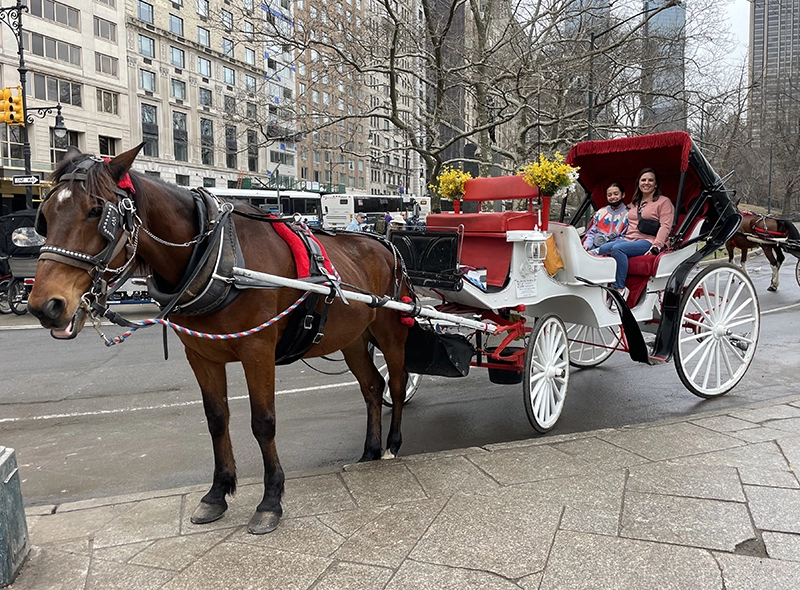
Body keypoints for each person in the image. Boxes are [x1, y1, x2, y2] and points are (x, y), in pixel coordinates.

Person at [596, 168, 674, 295]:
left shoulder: (663, 202)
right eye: (643, 180)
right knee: (603, 248)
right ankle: (603, 284)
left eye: (650, 180)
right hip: (629, 239)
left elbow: (666, 226)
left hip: (649, 240)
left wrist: (657, 245)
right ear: (638, 183)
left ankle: (620, 289)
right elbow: (618, 212)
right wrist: (601, 213)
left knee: (618, 249)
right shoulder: (634, 203)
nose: (646, 183)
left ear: (655, 184)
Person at [582, 183, 628, 254]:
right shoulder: (601, 212)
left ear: (623, 195)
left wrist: (596, 252)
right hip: (595, 244)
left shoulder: (628, 215)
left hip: (614, 248)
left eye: (616, 194)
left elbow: (625, 238)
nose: (612, 197)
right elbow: (591, 233)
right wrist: (587, 245)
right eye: (609, 195)